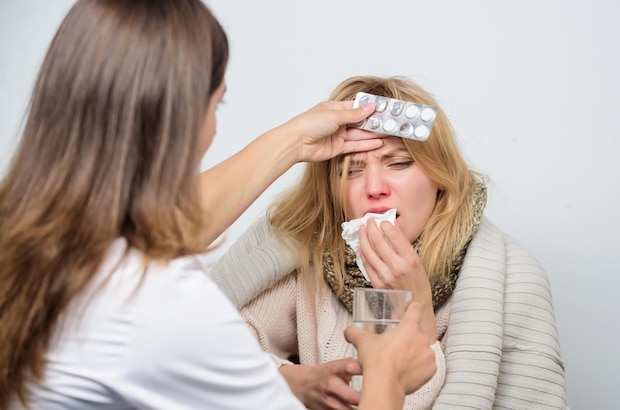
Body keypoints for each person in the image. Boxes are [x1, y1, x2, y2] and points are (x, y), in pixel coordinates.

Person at [0, 2, 438, 409]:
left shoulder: (29, 241)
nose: (376, 186)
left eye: (398, 162)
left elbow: (156, 227)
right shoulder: (164, 304)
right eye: (218, 104)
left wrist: (296, 138)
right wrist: (389, 371)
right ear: (180, 121)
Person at [209, 75, 568, 409]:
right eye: (352, 170)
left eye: (398, 163)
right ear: (331, 189)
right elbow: (200, 348)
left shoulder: (513, 278)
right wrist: (289, 380)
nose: (374, 187)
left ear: (439, 176)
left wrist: (407, 309)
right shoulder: (299, 249)